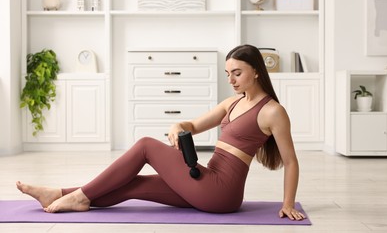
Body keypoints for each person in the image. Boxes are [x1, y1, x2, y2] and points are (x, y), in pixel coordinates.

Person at [16, 44, 305, 221]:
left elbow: (290, 161)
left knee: (144, 145)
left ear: (256, 71)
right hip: (204, 179)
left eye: (237, 73)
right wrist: (177, 126)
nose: (230, 79)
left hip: (221, 193)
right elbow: (192, 125)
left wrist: (288, 204)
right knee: (133, 185)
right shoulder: (232, 102)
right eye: (227, 72)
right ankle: (59, 194)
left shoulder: (272, 112)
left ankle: (77, 196)